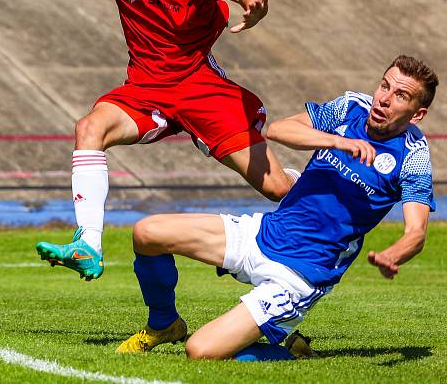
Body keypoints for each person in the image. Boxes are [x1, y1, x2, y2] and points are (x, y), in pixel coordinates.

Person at [0, 0, 296, 281]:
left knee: (277, 188)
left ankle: (332, 196)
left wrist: (253, 3)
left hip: (200, 86)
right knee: (90, 127)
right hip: (146, 88)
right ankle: (87, 244)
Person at [115, 55, 438, 360]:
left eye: (400, 96)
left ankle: (291, 351)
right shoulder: (350, 108)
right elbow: (279, 129)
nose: (384, 98)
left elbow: (416, 232)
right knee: (148, 233)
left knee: (200, 351)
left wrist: (392, 255)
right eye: (384, 85)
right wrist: (338, 141)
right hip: (264, 233)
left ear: (417, 113)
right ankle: (164, 324)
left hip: (300, 275)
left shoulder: (413, 156)